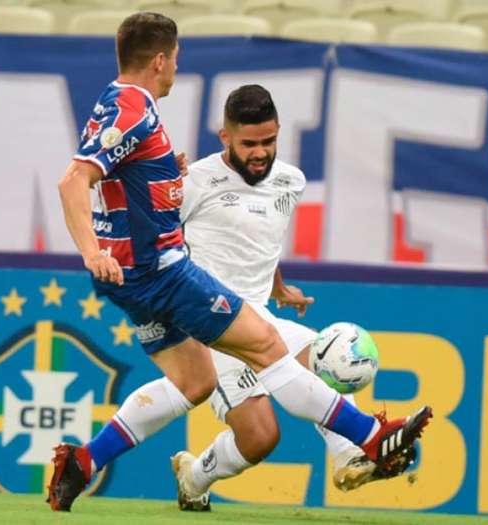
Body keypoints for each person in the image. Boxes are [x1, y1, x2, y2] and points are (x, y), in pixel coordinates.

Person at [48, 11, 432, 513]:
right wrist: (93, 252)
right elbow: (74, 181)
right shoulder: (133, 107)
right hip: (162, 273)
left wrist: (161, 172)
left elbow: (118, 177)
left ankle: (84, 461)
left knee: (193, 382)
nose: (176, 69)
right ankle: (371, 437)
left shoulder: (116, 101)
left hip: (138, 279)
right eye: (176, 59)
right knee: (270, 349)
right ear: (161, 59)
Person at [170, 85, 410, 511]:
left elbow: (259, 241)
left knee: (327, 357)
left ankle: (349, 458)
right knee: (261, 438)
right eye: (249, 144)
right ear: (225, 138)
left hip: (260, 317)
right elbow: (158, 240)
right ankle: (194, 478)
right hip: (212, 329)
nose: (261, 152)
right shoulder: (194, 181)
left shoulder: (290, 180)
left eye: (269, 141)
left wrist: (278, 286)